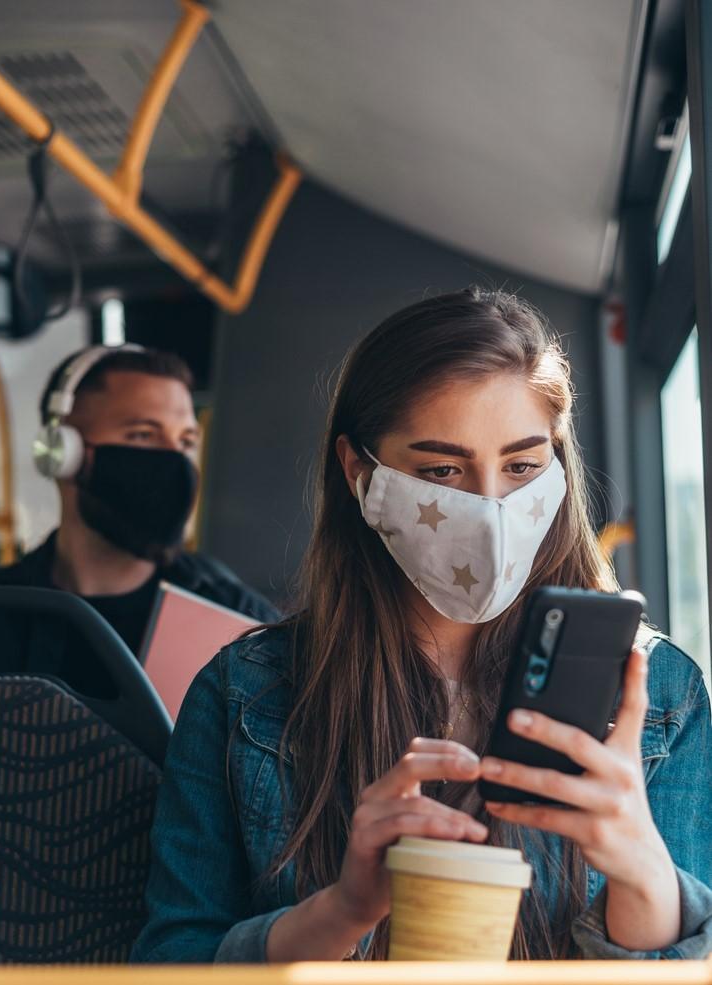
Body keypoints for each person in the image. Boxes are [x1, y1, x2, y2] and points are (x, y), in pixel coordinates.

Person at [130, 288, 712, 962]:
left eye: (522, 466)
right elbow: (171, 965)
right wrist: (345, 907)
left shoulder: (661, 694)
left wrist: (639, 867)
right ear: (359, 472)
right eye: (441, 470)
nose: (491, 507)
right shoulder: (244, 695)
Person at [0, 344, 278, 699]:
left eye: (184, 442)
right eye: (143, 434)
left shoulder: (244, 629)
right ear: (61, 453)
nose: (175, 462)